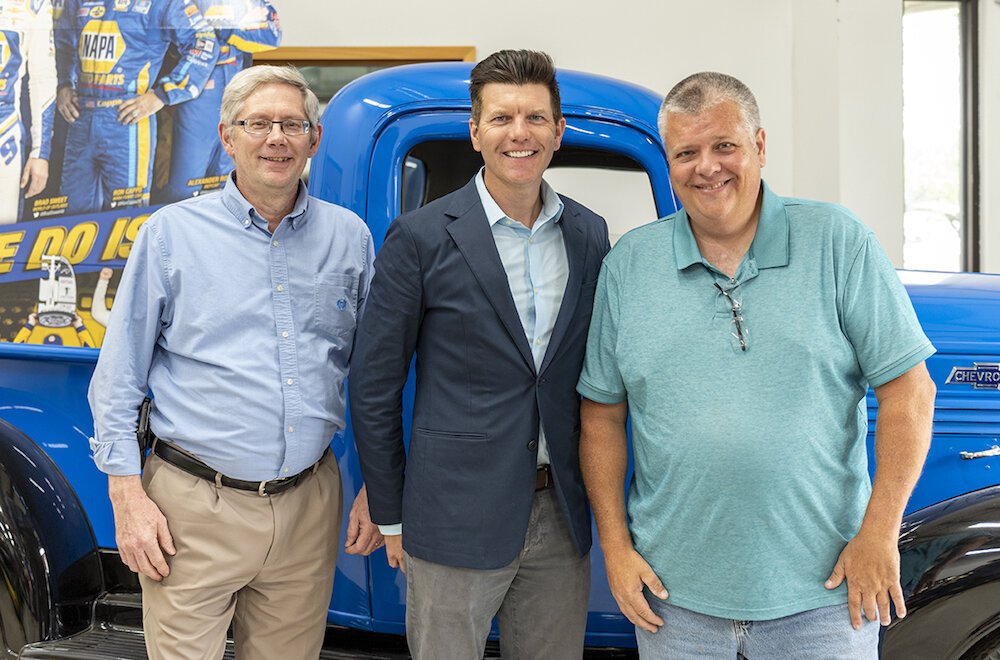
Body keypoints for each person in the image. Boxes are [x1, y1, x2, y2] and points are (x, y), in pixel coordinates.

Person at [577, 71, 937, 659]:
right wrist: (615, 549)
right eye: (686, 152)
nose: (707, 167)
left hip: (825, 600)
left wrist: (879, 533)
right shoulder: (628, 267)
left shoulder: (839, 242)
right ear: (669, 163)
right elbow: (600, 418)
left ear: (760, 147)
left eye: (725, 146)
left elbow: (910, 393)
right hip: (674, 608)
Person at [88, 64, 381, 660]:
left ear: (313, 140)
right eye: (258, 124)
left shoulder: (349, 238)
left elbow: (374, 373)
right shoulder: (172, 234)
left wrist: (380, 485)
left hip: (309, 502)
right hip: (193, 507)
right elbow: (118, 376)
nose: (277, 138)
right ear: (227, 137)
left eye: (292, 124)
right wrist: (127, 499)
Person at [349, 49, 610, 660]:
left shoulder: (589, 233)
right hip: (450, 516)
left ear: (558, 130)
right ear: (475, 132)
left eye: (535, 118)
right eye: (501, 118)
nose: (519, 134)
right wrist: (390, 512)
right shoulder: (419, 237)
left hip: (558, 512)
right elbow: (374, 384)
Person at [54, 0, 218, 215]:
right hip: (79, 117)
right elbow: (62, 43)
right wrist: (64, 84)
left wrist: (163, 94)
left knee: (127, 217)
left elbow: (204, 42)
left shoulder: (163, 3)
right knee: (71, 216)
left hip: (128, 121)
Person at [156, 0, 282, 204]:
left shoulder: (249, 3)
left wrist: (228, 32)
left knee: (228, 182)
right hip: (189, 98)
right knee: (183, 185)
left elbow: (272, 36)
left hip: (237, 96)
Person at [0, 0, 57, 224]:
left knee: (4, 242)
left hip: (5, 139)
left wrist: (39, 153)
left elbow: (43, 79)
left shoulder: (34, 4)